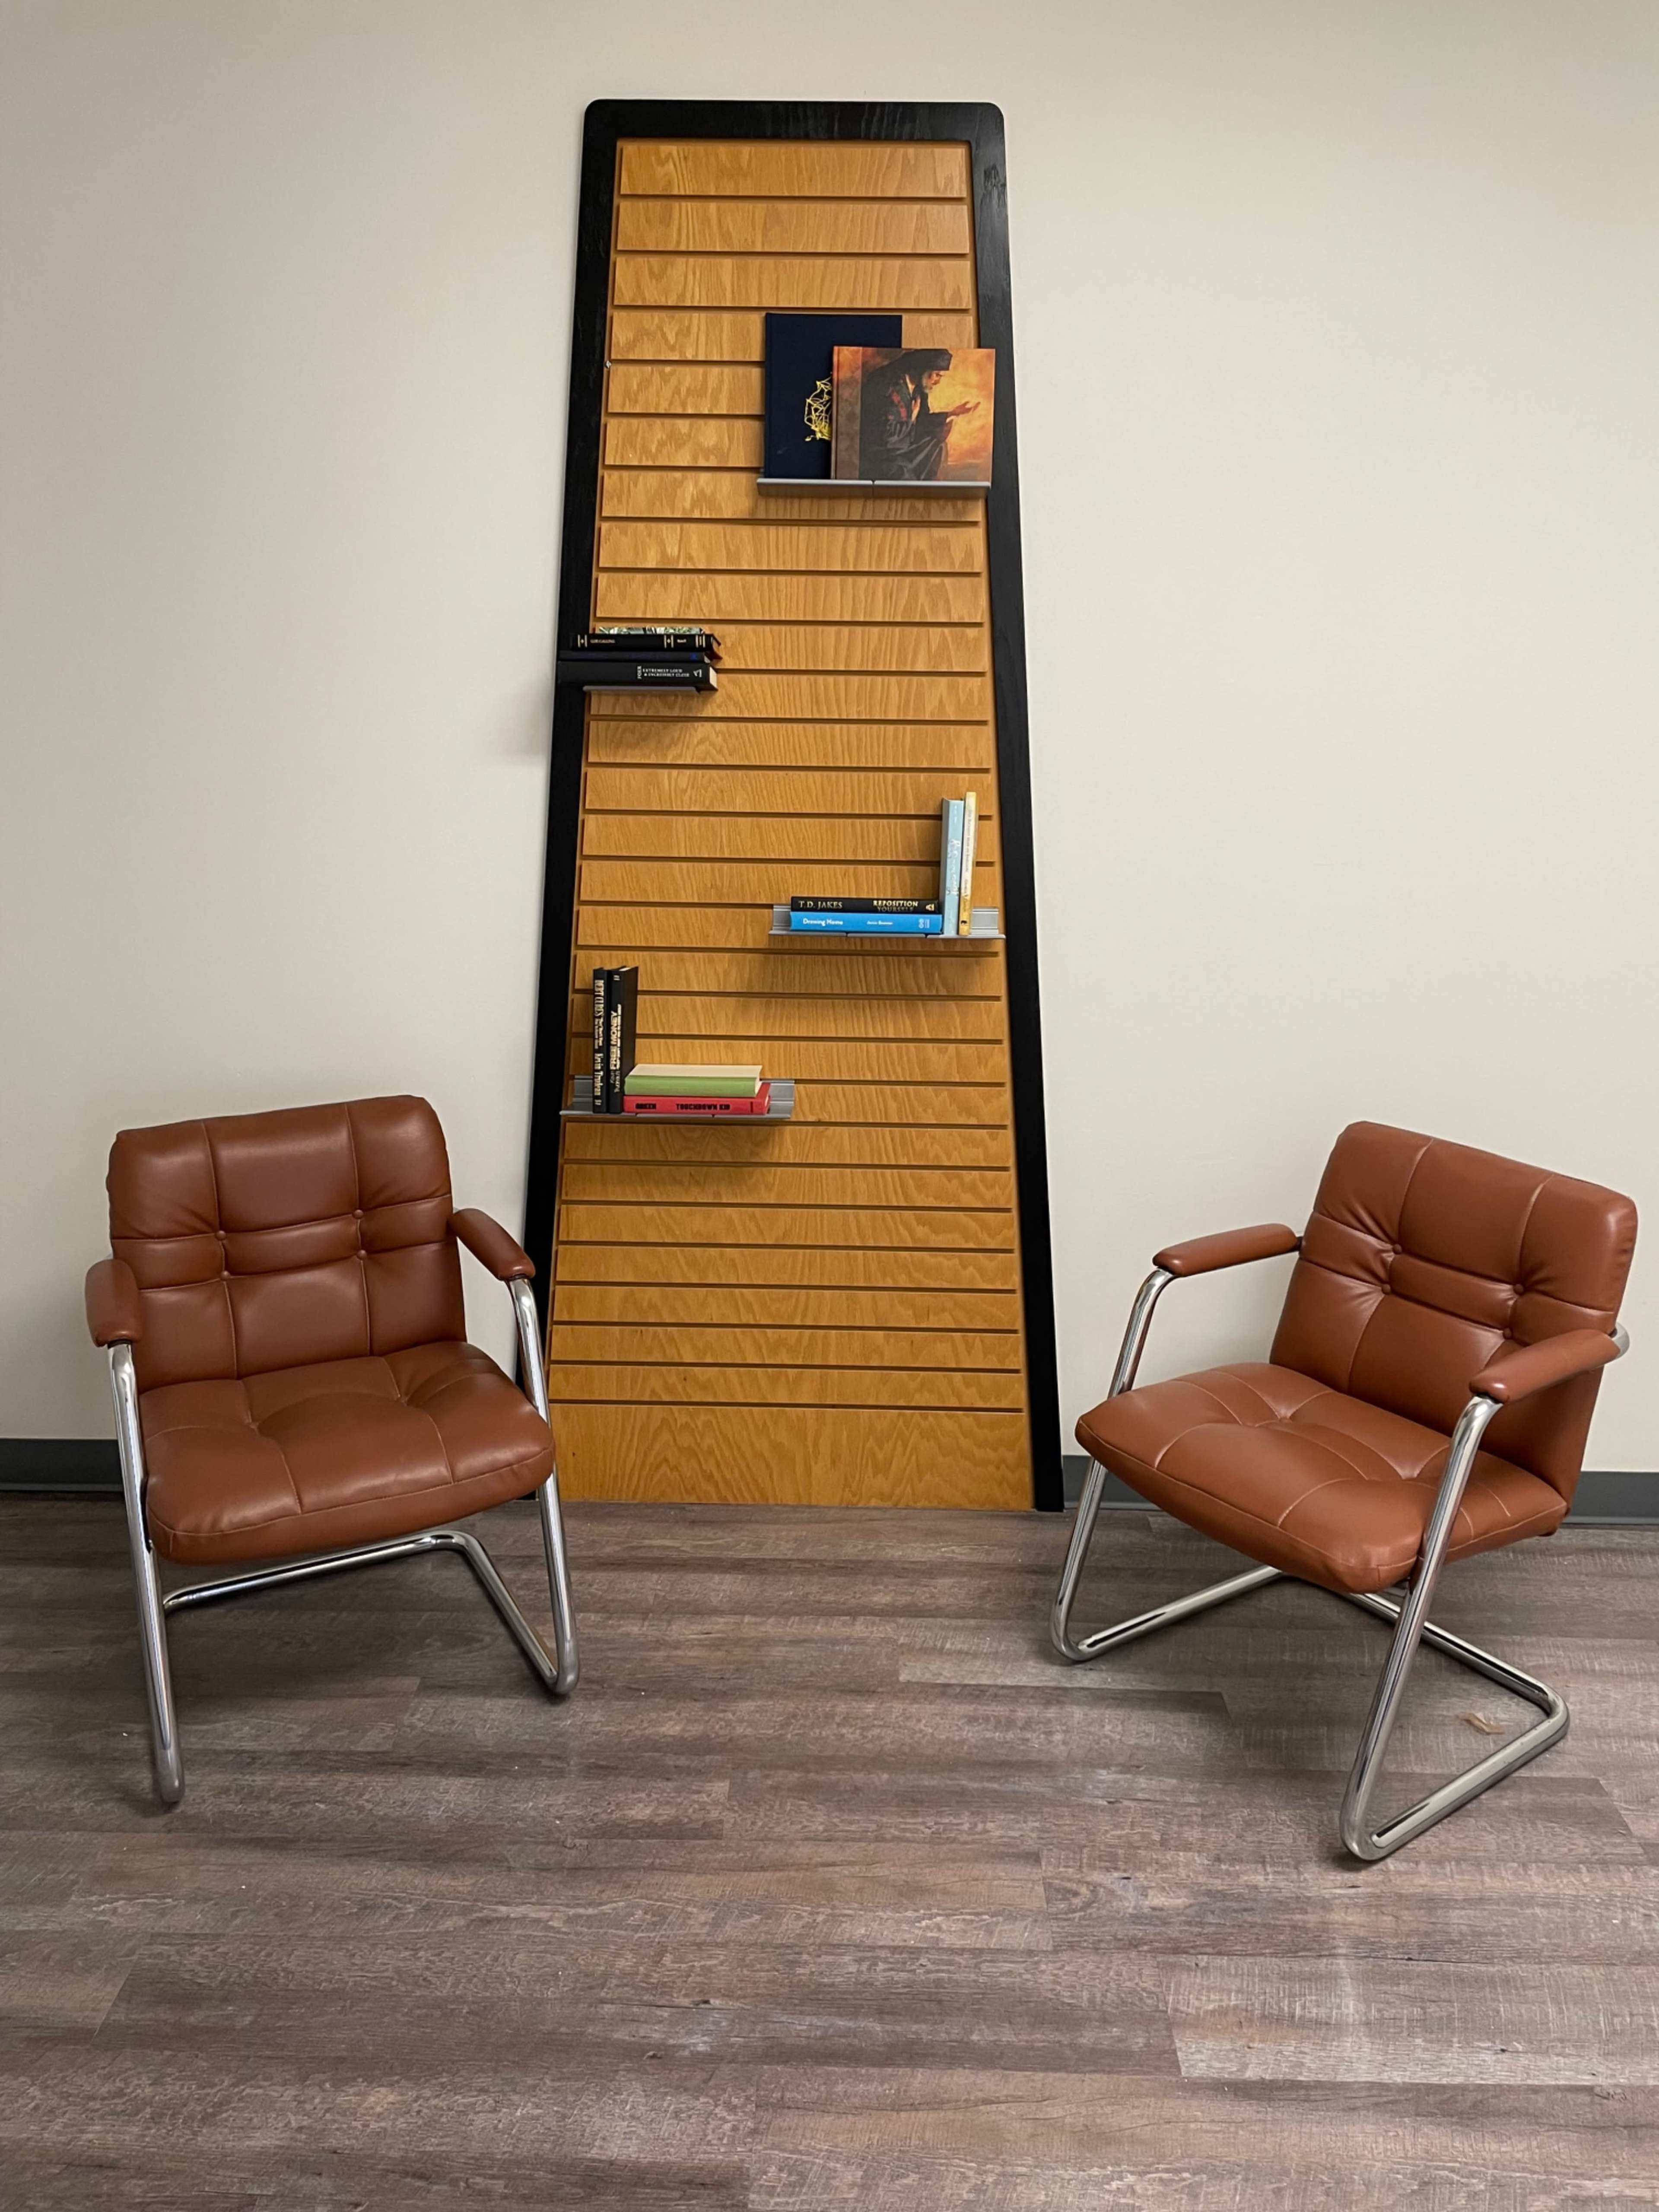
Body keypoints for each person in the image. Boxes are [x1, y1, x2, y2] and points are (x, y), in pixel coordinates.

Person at [860, 349, 979, 480]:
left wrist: (952, 413)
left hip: (902, 448)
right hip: (883, 454)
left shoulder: (919, 390)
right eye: (936, 375)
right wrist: (911, 419)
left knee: (937, 445)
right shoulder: (890, 389)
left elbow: (922, 421)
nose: (937, 381)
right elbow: (887, 436)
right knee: (905, 475)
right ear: (924, 370)